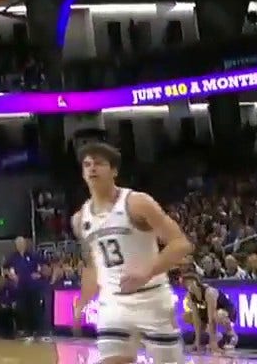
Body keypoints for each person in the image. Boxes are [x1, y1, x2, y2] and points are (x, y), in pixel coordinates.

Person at [71, 141, 192, 364]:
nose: (92, 168)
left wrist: (146, 273)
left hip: (152, 298)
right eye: (87, 164)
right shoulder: (80, 219)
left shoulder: (137, 203)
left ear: (114, 171)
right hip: (113, 304)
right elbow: (92, 266)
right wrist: (82, 304)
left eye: (99, 163)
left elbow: (180, 243)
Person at [182, 271, 237, 352]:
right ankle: (218, 337)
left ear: (195, 282)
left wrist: (213, 343)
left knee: (217, 315)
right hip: (209, 312)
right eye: (185, 284)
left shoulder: (209, 292)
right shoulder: (190, 295)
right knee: (187, 316)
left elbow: (211, 320)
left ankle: (231, 336)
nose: (187, 285)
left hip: (226, 310)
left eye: (188, 283)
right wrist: (197, 342)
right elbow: (196, 319)